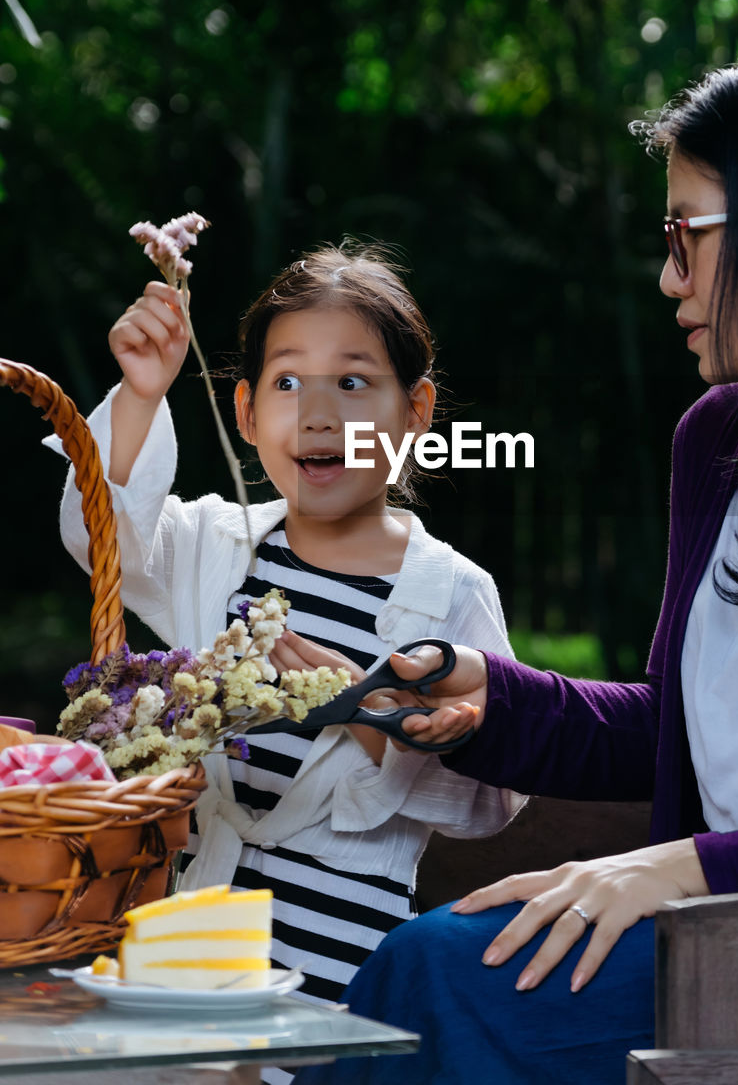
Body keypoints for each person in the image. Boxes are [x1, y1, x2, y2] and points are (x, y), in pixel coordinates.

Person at [293, 53, 738, 1085]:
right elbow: (676, 733)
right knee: (431, 963)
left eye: (685, 235)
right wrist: (487, 697)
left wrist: (677, 866)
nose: (666, 279)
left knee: (433, 976)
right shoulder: (718, 441)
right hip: (710, 927)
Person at [53, 244, 522, 1074]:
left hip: (344, 972)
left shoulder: (450, 592)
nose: (316, 414)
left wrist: (374, 716)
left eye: (352, 381)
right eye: (285, 382)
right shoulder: (213, 542)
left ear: (415, 411)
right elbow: (104, 542)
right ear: (243, 413)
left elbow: (493, 799)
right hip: (188, 951)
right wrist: (141, 389)